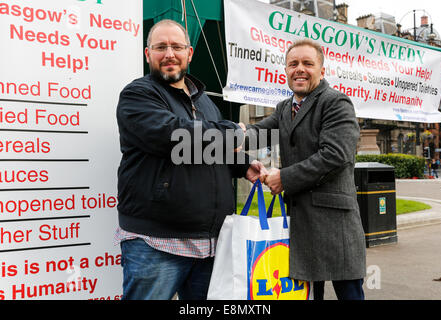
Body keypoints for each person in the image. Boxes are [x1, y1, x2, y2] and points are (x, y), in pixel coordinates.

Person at [115, 19, 267, 300]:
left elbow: (206, 148)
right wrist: (233, 132)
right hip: (156, 243)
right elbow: (173, 136)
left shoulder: (205, 101)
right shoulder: (138, 94)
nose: (169, 53)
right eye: (161, 47)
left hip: (210, 245)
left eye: (176, 46)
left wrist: (243, 165)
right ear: (148, 54)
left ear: (190, 53)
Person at [243, 39, 366, 300]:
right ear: (285, 71)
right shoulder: (284, 108)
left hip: (335, 227)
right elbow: (256, 134)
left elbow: (335, 156)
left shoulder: (336, 102)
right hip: (301, 226)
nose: (299, 69)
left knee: (350, 295)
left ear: (322, 71)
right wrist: (223, 136)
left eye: (307, 63)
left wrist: (283, 178)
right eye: (293, 64)